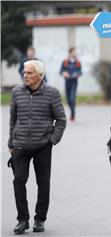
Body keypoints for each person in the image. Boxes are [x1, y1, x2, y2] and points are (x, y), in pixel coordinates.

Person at [8, 60, 66, 234]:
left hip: (42, 146)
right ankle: (22, 220)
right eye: (24, 72)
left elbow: (61, 120)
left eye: (29, 73)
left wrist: (52, 140)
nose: (25, 75)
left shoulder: (52, 93)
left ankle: (39, 219)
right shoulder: (16, 92)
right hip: (20, 146)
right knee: (19, 181)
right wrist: (11, 143)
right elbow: (13, 120)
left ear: (39, 76)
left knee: (43, 183)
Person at [60, 47, 82, 121]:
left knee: (72, 99)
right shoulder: (65, 62)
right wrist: (64, 73)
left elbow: (80, 72)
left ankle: (73, 114)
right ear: (70, 53)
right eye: (73, 52)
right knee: (68, 100)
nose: (75, 53)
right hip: (67, 82)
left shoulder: (77, 62)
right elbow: (61, 71)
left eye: (75, 52)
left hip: (74, 83)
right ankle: (72, 110)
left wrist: (77, 74)